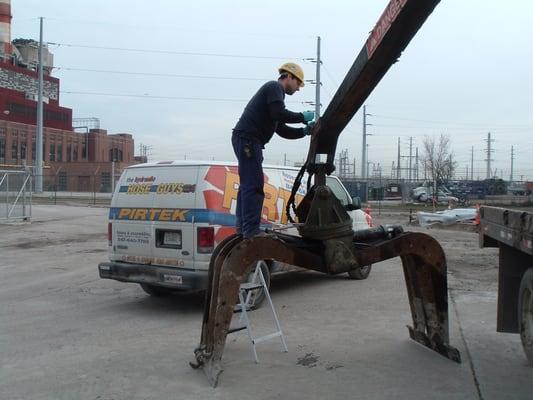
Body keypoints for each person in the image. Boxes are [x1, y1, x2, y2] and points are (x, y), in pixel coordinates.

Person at [231, 62, 315, 239]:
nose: (298, 89)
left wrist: (304, 131)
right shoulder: (274, 88)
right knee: (253, 185)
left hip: (247, 140)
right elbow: (279, 114)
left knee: (247, 185)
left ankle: (242, 228)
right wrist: (302, 117)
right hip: (248, 140)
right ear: (289, 77)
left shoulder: (274, 102)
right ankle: (251, 231)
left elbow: (282, 129)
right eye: (298, 83)